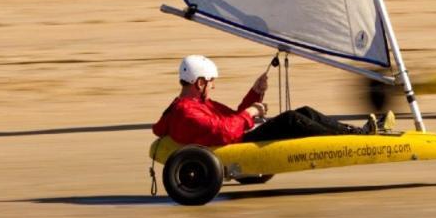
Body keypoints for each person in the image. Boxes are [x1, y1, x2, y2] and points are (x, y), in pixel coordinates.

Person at [152, 54, 374, 147]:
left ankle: (356, 133)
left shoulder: (200, 105)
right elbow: (225, 132)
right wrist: (251, 113)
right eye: (211, 82)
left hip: (236, 138)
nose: (213, 86)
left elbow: (231, 118)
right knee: (291, 120)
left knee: (305, 112)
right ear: (199, 83)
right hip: (236, 145)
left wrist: (255, 94)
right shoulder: (186, 112)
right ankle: (355, 140)